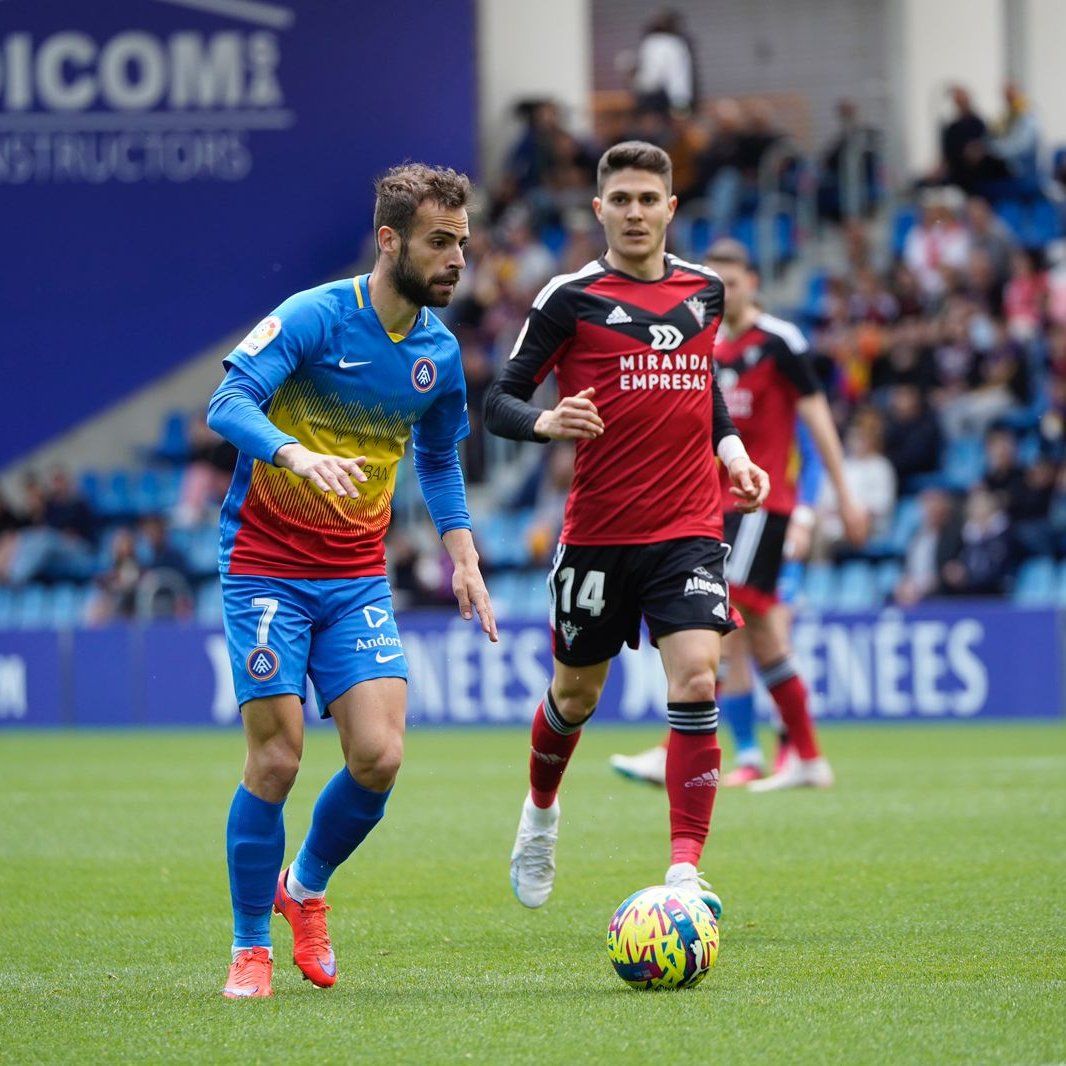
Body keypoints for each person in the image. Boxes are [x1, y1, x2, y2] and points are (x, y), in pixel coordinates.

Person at [208, 163, 497, 999]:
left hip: (356, 574)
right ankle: (250, 947)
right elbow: (227, 403)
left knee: (379, 756)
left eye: (462, 243)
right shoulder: (313, 315)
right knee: (277, 760)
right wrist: (294, 454)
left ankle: (304, 887)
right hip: (265, 565)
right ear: (389, 240)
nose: (457, 259)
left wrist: (464, 557)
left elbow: (438, 460)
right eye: (439, 242)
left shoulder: (439, 354)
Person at [483, 141, 769, 916]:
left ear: (670, 208)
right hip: (599, 536)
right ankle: (541, 814)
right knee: (575, 695)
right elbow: (499, 399)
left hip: (688, 527)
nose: (635, 212)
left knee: (699, 676)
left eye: (649, 199)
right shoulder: (568, 298)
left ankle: (684, 871)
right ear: (599, 209)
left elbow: (703, 385)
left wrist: (734, 453)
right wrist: (546, 421)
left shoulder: (704, 291)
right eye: (622, 200)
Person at [608, 238, 868, 790]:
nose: (723, 292)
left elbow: (818, 421)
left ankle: (677, 750)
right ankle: (802, 756)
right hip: (709, 507)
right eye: (715, 283)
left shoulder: (779, 342)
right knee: (762, 634)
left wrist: (842, 495)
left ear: (753, 282)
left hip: (760, 504)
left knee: (710, 620)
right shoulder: (703, 344)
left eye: (732, 281)